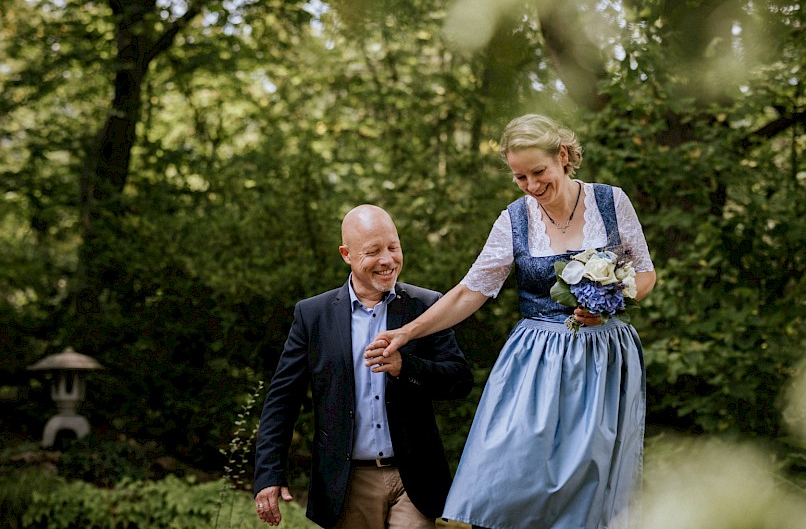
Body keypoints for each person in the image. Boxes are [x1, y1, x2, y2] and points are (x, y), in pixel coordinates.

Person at [366, 114, 656, 529]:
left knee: (589, 477)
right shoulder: (514, 219)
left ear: (563, 156)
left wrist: (610, 299)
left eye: (538, 172)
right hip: (535, 360)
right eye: (520, 177)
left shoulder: (611, 202)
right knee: (509, 468)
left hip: (602, 359)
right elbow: (471, 291)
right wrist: (405, 332)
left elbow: (644, 273)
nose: (532, 186)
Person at [253, 204, 473, 529]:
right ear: (347, 254)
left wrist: (405, 367)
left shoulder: (427, 306)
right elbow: (282, 402)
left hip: (413, 477)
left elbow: (459, 380)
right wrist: (269, 475)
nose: (387, 260)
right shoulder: (313, 316)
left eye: (393, 248)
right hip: (346, 481)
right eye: (373, 251)